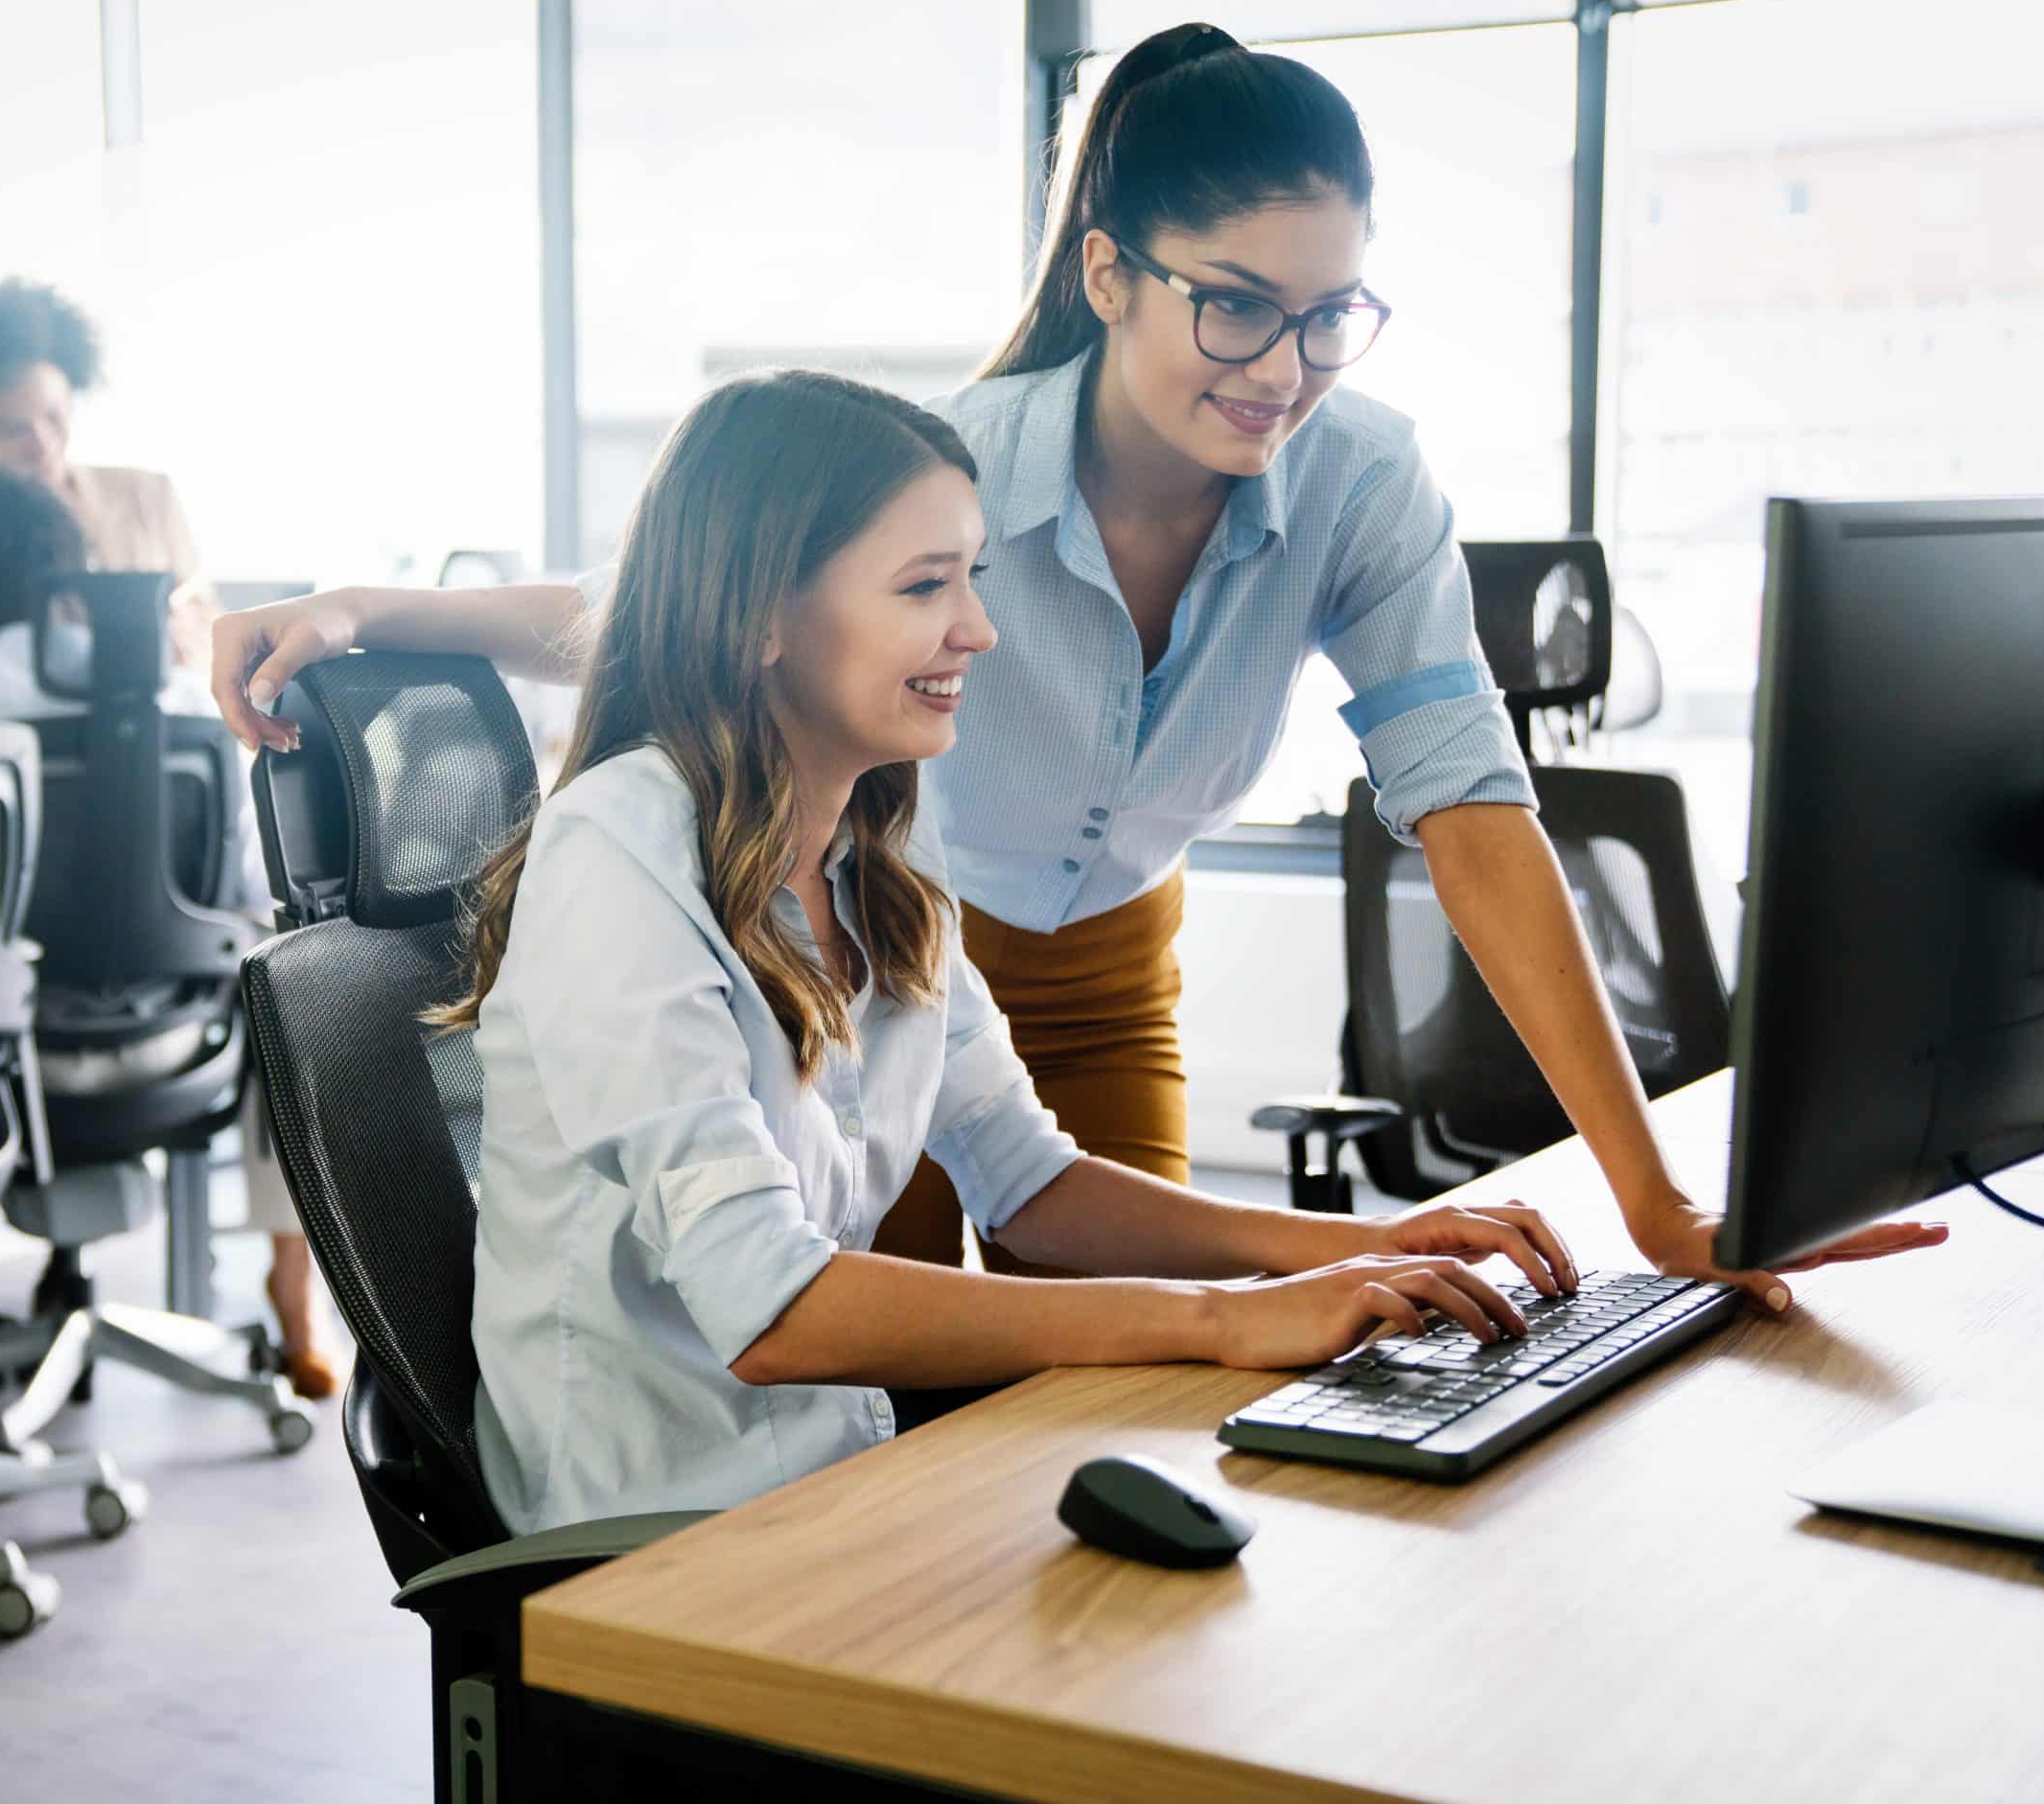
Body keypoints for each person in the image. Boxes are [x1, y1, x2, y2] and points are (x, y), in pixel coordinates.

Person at [210, 24, 1945, 1312]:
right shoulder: (943, 464)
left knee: (1147, 1376)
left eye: (1334, 311)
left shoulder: (1358, 479)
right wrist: (371, 606)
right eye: (1239, 305)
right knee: (878, 1385)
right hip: (863, 942)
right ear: (1109, 272)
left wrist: (1648, 1200)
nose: (1287, 368)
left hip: (1091, 948)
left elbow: (1469, 803)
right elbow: (659, 596)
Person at [448, 369, 1581, 1533]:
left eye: (973, 576)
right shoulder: (617, 854)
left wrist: (1356, 1251)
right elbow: (771, 1306)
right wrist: (1221, 1318)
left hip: (836, 1493)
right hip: (642, 1550)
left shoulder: (881, 843)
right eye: (924, 585)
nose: (979, 629)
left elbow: (1026, 1182)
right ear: (761, 618)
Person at [0, 474, 338, 1398]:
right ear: (77, 575)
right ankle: (296, 1299)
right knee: (291, 980)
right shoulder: (186, 703)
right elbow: (240, 889)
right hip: (175, 1054)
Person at [0, 276, 221, 673]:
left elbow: (210, 624)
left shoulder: (148, 495)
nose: (43, 442)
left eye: (54, 416)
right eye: (14, 428)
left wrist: (185, 637)